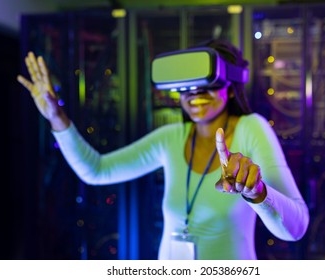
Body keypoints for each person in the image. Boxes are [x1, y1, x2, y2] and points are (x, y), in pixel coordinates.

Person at [17, 39, 309, 260]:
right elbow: (96, 170)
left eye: (204, 84)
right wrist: (56, 115)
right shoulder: (171, 137)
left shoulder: (251, 128)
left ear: (229, 87)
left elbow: (296, 228)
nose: (194, 95)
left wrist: (257, 192)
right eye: (186, 87)